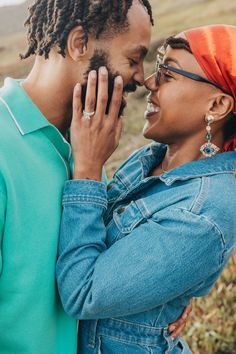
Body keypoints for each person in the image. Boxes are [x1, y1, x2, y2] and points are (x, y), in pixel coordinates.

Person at [0, 1, 188, 353]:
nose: (141, 78)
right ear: (79, 44)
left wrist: (162, 292)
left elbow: (94, 264)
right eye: (133, 59)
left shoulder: (85, 143)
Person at [56, 24, 236, 354]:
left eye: (168, 74)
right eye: (157, 67)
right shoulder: (149, 159)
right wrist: (168, 289)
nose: (149, 83)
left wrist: (87, 171)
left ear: (217, 106)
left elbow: (83, 292)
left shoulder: (204, 213)